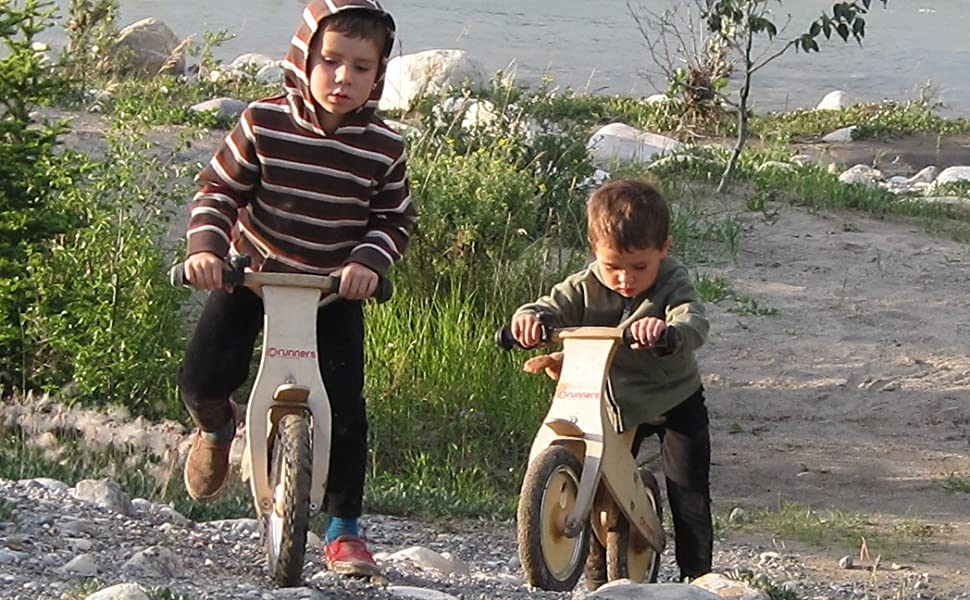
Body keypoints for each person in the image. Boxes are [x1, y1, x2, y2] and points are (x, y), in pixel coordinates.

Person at [176, 0, 415, 577]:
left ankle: (344, 527)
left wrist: (368, 263)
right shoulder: (264, 121)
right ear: (304, 59)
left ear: (379, 74)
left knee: (344, 407)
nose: (343, 78)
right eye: (331, 62)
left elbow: (394, 220)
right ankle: (216, 425)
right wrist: (206, 250)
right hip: (252, 274)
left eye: (362, 67)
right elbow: (217, 192)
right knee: (202, 376)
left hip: (332, 288)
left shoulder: (383, 147)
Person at [510, 177, 712, 586]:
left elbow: (693, 319)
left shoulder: (672, 280)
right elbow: (551, 305)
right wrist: (529, 320)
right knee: (602, 484)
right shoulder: (585, 285)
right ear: (594, 252)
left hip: (675, 399)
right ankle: (599, 580)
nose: (625, 278)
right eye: (613, 266)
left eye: (640, 266)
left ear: (664, 249)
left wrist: (668, 333)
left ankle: (698, 576)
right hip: (616, 403)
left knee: (687, 491)